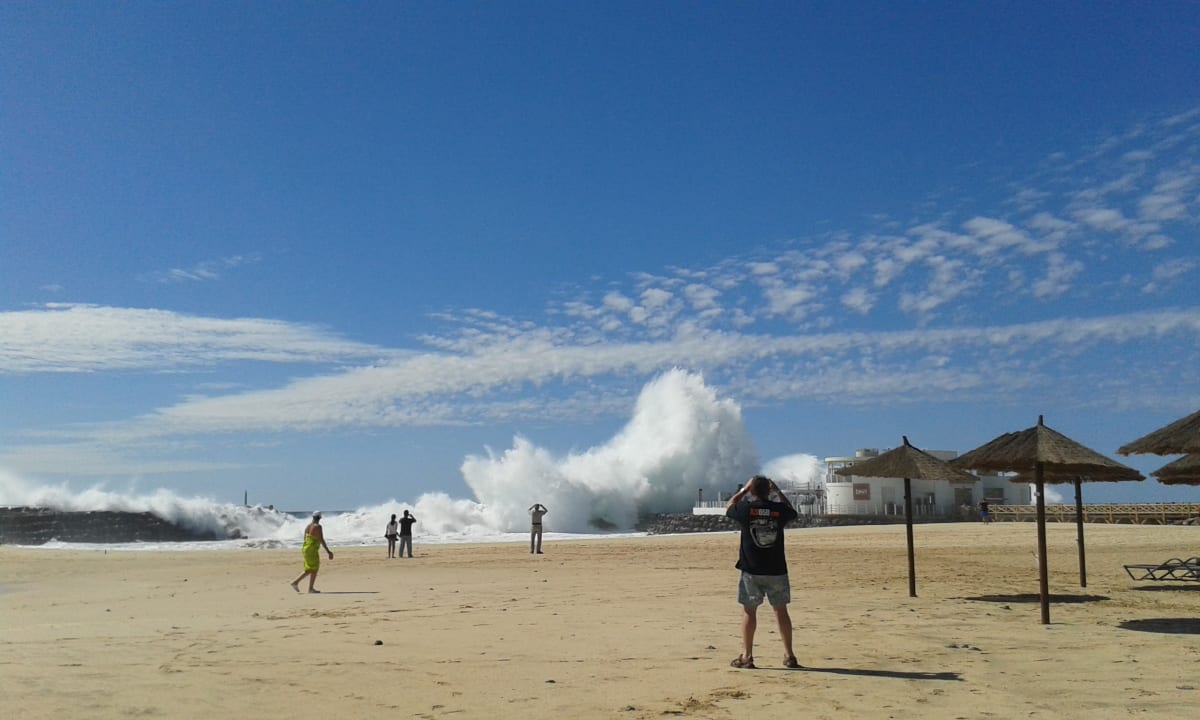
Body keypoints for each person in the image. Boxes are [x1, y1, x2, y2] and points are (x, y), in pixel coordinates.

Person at [725, 475, 800, 670]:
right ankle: (789, 655)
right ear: (769, 490)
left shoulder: (746, 509)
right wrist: (777, 491)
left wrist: (744, 490)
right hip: (776, 569)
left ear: (752, 491)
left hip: (752, 569)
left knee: (749, 612)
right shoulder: (778, 510)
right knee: (781, 611)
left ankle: (747, 656)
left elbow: (729, 505)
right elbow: (792, 511)